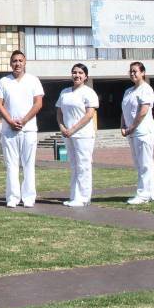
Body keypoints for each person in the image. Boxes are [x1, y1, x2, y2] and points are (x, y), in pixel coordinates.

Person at [0, 50, 44, 208]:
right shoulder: (4, 81)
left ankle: (28, 198)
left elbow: (38, 103)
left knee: (28, 165)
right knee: (11, 164)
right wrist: (10, 121)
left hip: (28, 129)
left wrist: (24, 120)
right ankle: (13, 197)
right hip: (9, 131)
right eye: (14, 61)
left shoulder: (33, 80)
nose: (17, 64)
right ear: (10, 63)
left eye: (20, 60)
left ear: (25, 62)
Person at [56, 63, 98, 207]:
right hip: (68, 135)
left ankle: (84, 197)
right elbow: (59, 113)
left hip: (83, 135)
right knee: (74, 165)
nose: (77, 75)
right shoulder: (65, 92)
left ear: (86, 76)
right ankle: (75, 195)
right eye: (74, 72)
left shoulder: (89, 92)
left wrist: (73, 129)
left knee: (83, 166)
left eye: (80, 73)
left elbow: (89, 115)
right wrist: (62, 127)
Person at [120, 61, 154, 204]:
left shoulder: (146, 89)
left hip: (143, 131)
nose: (132, 73)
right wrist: (123, 125)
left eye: (135, 71)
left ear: (143, 72)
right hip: (132, 132)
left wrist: (132, 127)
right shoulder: (128, 91)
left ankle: (144, 194)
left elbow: (143, 111)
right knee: (139, 163)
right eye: (131, 71)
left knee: (145, 163)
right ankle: (148, 193)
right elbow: (124, 110)